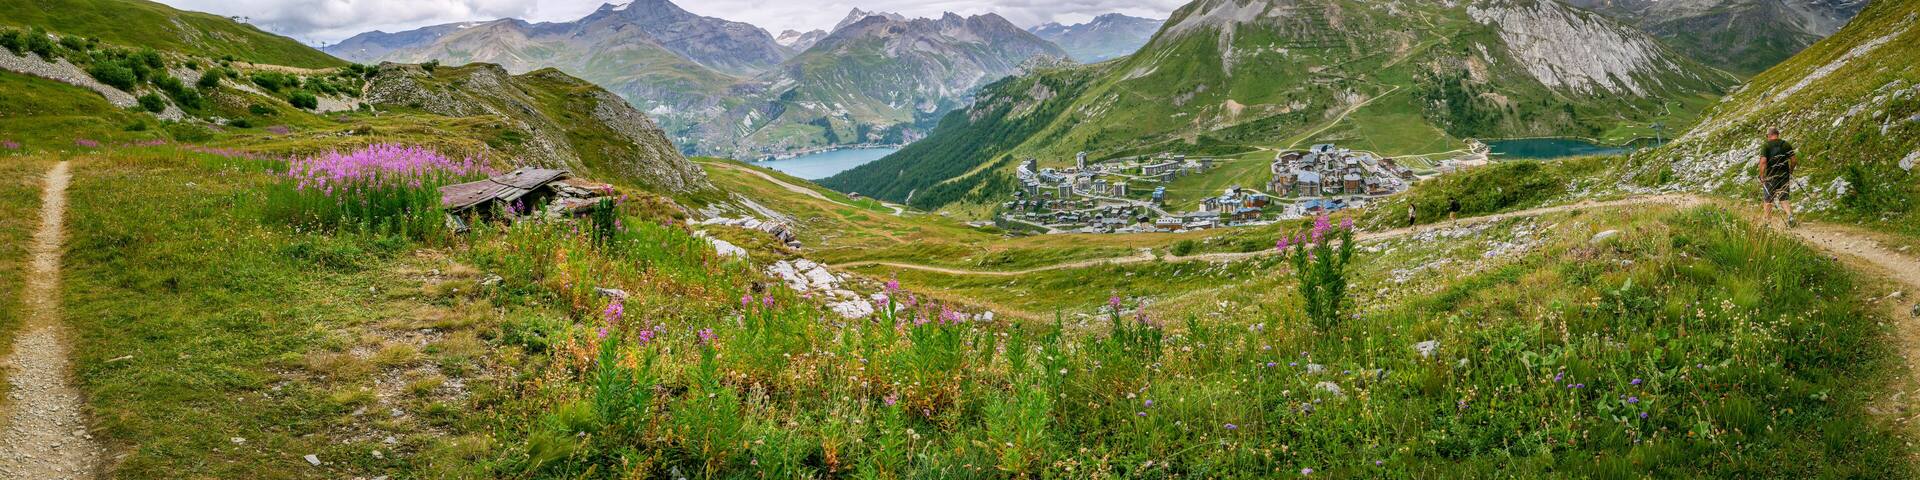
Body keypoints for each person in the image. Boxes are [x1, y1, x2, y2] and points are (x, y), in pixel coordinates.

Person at [1758, 127, 1797, 227]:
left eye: (1767, 136)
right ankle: (1790, 216)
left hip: (1771, 177)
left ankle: (1768, 223)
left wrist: (1762, 176)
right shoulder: (1785, 144)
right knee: (1784, 198)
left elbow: (1763, 162)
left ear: (1769, 135)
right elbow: (1793, 160)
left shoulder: (1766, 146)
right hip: (1784, 176)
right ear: (1777, 134)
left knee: (1768, 200)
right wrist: (1790, 171)